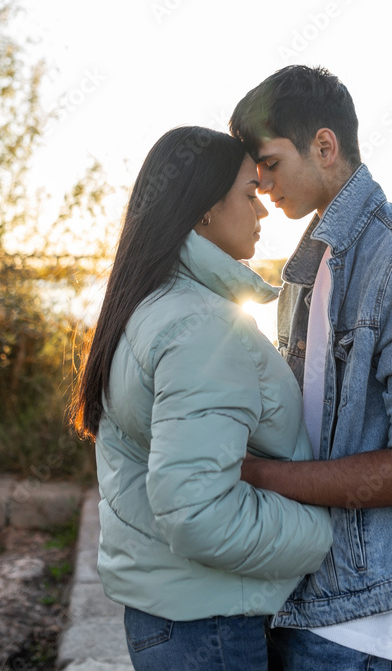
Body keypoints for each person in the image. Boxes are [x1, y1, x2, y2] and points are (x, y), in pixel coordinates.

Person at [230, 66, 392, 671]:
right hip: (300, 585)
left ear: (324, 145)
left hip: (362, 619)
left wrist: (256, 476)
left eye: (270, 163)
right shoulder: (310, 265)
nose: (261, 183)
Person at [71, 126, 333, 671]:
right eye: (249, 194)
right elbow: (197, 514)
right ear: (204, 211)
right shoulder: (203, 328)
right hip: (209, 625)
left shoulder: (153, 305)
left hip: (176, 613)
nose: (262, 211)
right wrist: (323, 534)